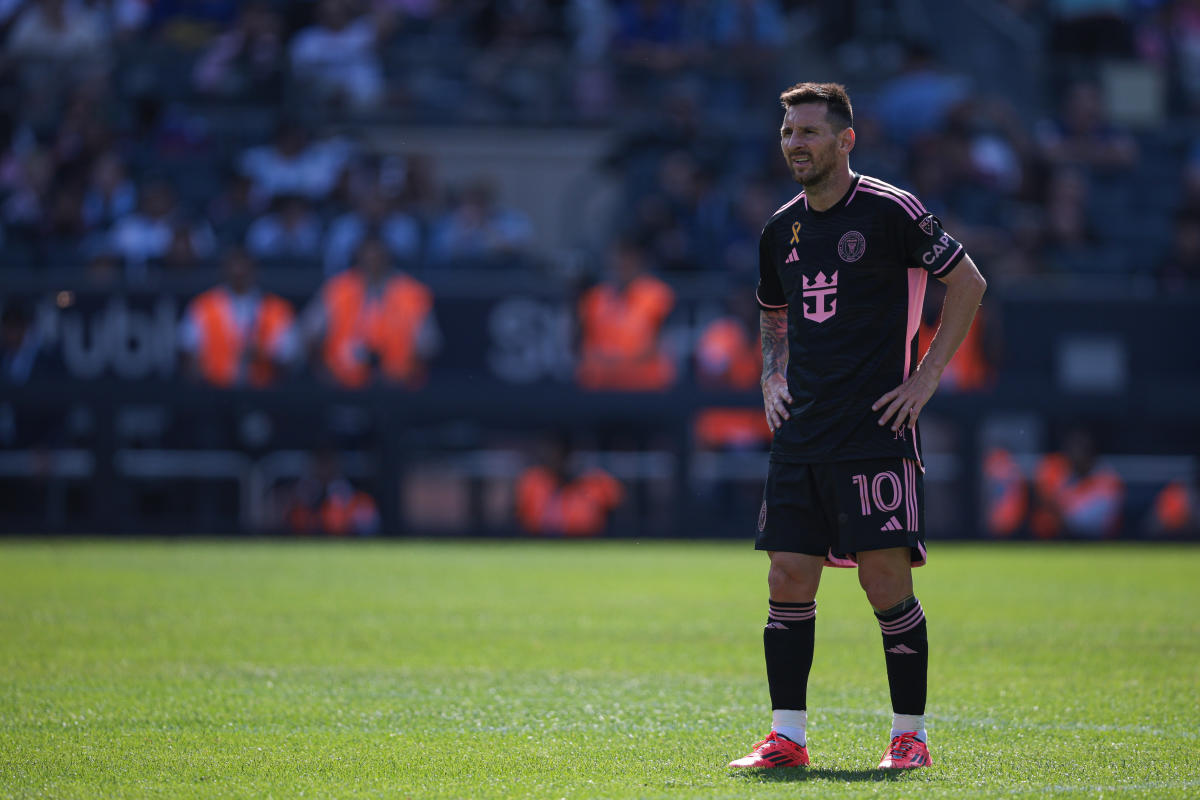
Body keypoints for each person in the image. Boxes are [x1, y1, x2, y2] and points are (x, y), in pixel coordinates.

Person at [728, 83, 987, 772]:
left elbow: (968, 284)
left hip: (876, 427)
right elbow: (772, 309)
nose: (796, 144)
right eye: (788, 133)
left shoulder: (891, 210)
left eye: (809, 132)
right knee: (786, 576)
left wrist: (926, 379)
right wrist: (770, 375)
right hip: (803, 433)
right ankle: (786, 737)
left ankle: (910, 736)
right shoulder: (778, 228)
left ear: (846, 140)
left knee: (884, 582)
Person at [179, 247, 297, 388]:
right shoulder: (203, 306)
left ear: (254, 271)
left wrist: (262, 352)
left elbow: (288, 355)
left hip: (262, 391)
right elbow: (188, 352)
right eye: (234, 266)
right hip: (214, 391)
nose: (239, 272)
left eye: (244, 267)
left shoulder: (275, 308)